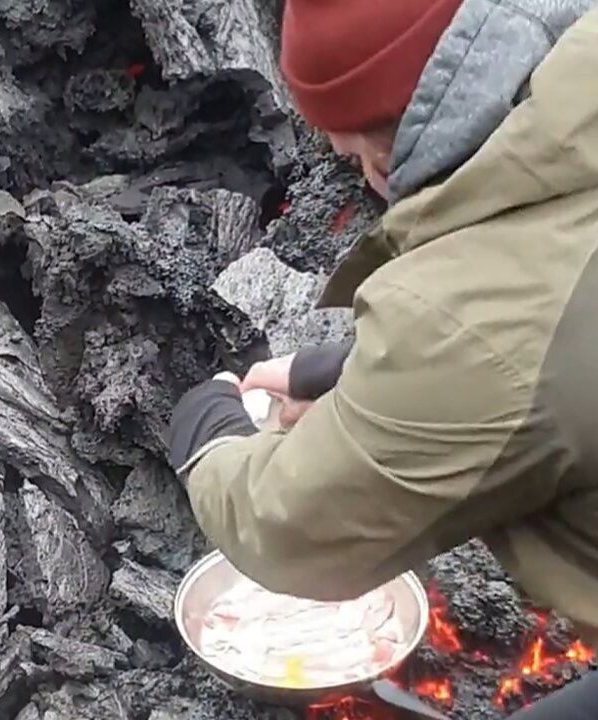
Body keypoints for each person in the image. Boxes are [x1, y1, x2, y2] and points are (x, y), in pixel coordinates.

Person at [165, 1, 598, 715]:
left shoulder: (465, 322)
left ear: (391, 147)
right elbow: (551, 339)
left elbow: (289, 530)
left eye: (352, 157)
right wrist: (369, 370)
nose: (365, 181)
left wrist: (205, 429)